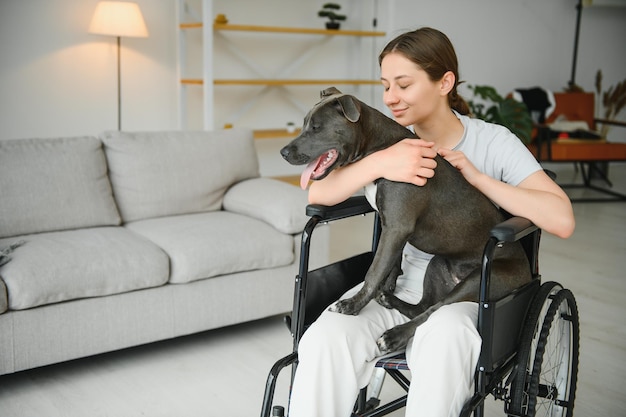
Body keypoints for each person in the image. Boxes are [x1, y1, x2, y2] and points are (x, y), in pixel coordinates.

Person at [287, 27, 575, 417]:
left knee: (444, 339)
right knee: (325, 338)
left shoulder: (493, 141)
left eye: (403, 84)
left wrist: (480, 180)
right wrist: (381, 162)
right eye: (386, 84)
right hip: (404, 287)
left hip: (472, 292)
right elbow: (318, 195)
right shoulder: (382, 139)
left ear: (445, 82)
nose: (390, 97)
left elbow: (562, 219)